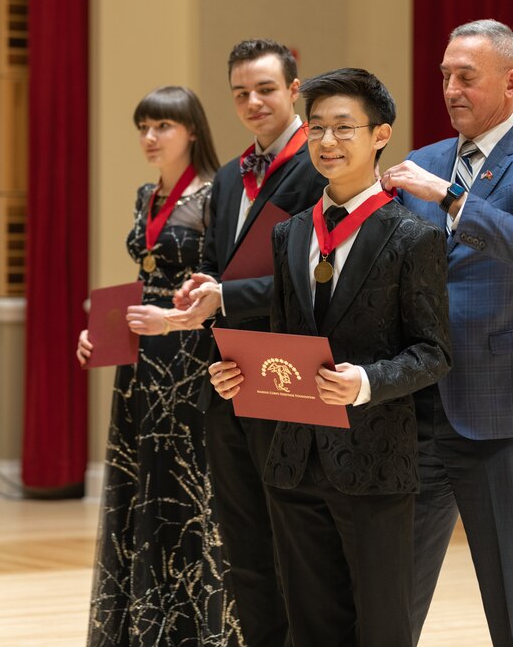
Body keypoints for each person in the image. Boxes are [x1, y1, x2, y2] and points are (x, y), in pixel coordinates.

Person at [208, 68, 452, 646]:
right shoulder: (290, 234)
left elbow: (434, 352)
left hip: (374, 463)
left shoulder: (412, 237)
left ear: (380, 135)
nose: (326, 142)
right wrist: (240, 372)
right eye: (317, 128)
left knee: (381, 627)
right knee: (312, 625)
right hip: (294, 460)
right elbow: (284, 338)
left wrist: (366, 381)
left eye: (344, 128)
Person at [383, 19, 513, 646]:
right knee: (389, 585)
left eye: (465, 77)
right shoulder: (421, 161)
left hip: (505, 409)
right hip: (417, 406)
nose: (450, 89)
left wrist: (450, 199)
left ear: (511, 82)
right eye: (444, 76)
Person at [167, 39, 326, 647]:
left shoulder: (319, 163)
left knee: (294, 532)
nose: (252, 102)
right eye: (240, 93)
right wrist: (204, 286)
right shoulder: (231, 174)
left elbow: (317, 271)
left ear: (293, 89)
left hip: (289, 367)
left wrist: (227, 296)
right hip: (228, 367)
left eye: (265, 89)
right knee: (243, 539)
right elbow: (218, 261)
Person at [78, 86, 241, 646]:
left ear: (191, 130)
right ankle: (147, 624)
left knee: (188, 486)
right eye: (144, 126)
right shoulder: (147, 194)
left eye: (163, 127)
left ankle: (195, 629)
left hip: (188, 353)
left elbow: (214, 278)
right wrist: (97, 332)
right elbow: (144, 282)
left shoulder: (215, 193)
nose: (150, 138)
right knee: (141, 478)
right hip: (141, 358)